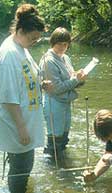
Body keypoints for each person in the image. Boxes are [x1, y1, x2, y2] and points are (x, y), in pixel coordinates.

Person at [0, 4, 50, 193]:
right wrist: (21, 128)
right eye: (33, 38)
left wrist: (40, 84)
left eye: (37, 39)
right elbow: (8, 98)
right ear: (21, 31)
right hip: (15, 124)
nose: (35, 42)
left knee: (22, 166)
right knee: (21, 168)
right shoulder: (8, 54)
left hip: (24, 121)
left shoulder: (21, 47)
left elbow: (24, 79)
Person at [39, 27, 87, 160]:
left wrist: (80, 79)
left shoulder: (65, 58)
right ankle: (52, 169)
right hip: (53, 103)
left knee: (64, 137)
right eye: (59, 43)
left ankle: (62, 165)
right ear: (53, 42)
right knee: (54, 139)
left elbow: (70, 80)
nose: (62, 47)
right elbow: (57, 88)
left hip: (65, 102)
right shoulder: (48, 60)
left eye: (65, 44)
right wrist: (76, 79)